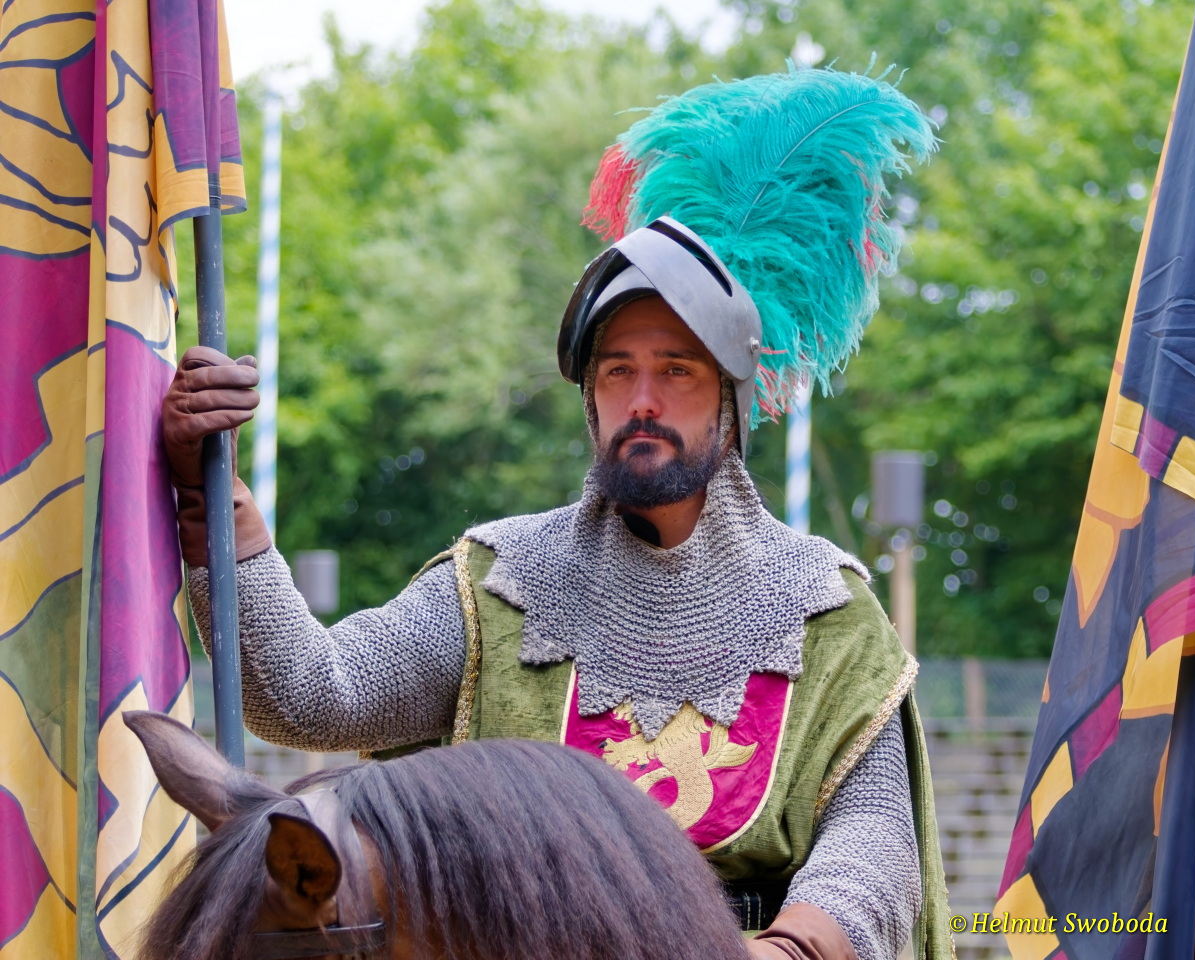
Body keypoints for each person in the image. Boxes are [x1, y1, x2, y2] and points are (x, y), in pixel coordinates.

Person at [164, 69, 953, 960]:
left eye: (677, 369)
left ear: (729, 405)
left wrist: (788, 951)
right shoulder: (504, 585)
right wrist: (217, 512)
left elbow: (874, 840)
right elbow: (315, 699)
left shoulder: (824, 609)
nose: (642, 399)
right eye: (618, 371)